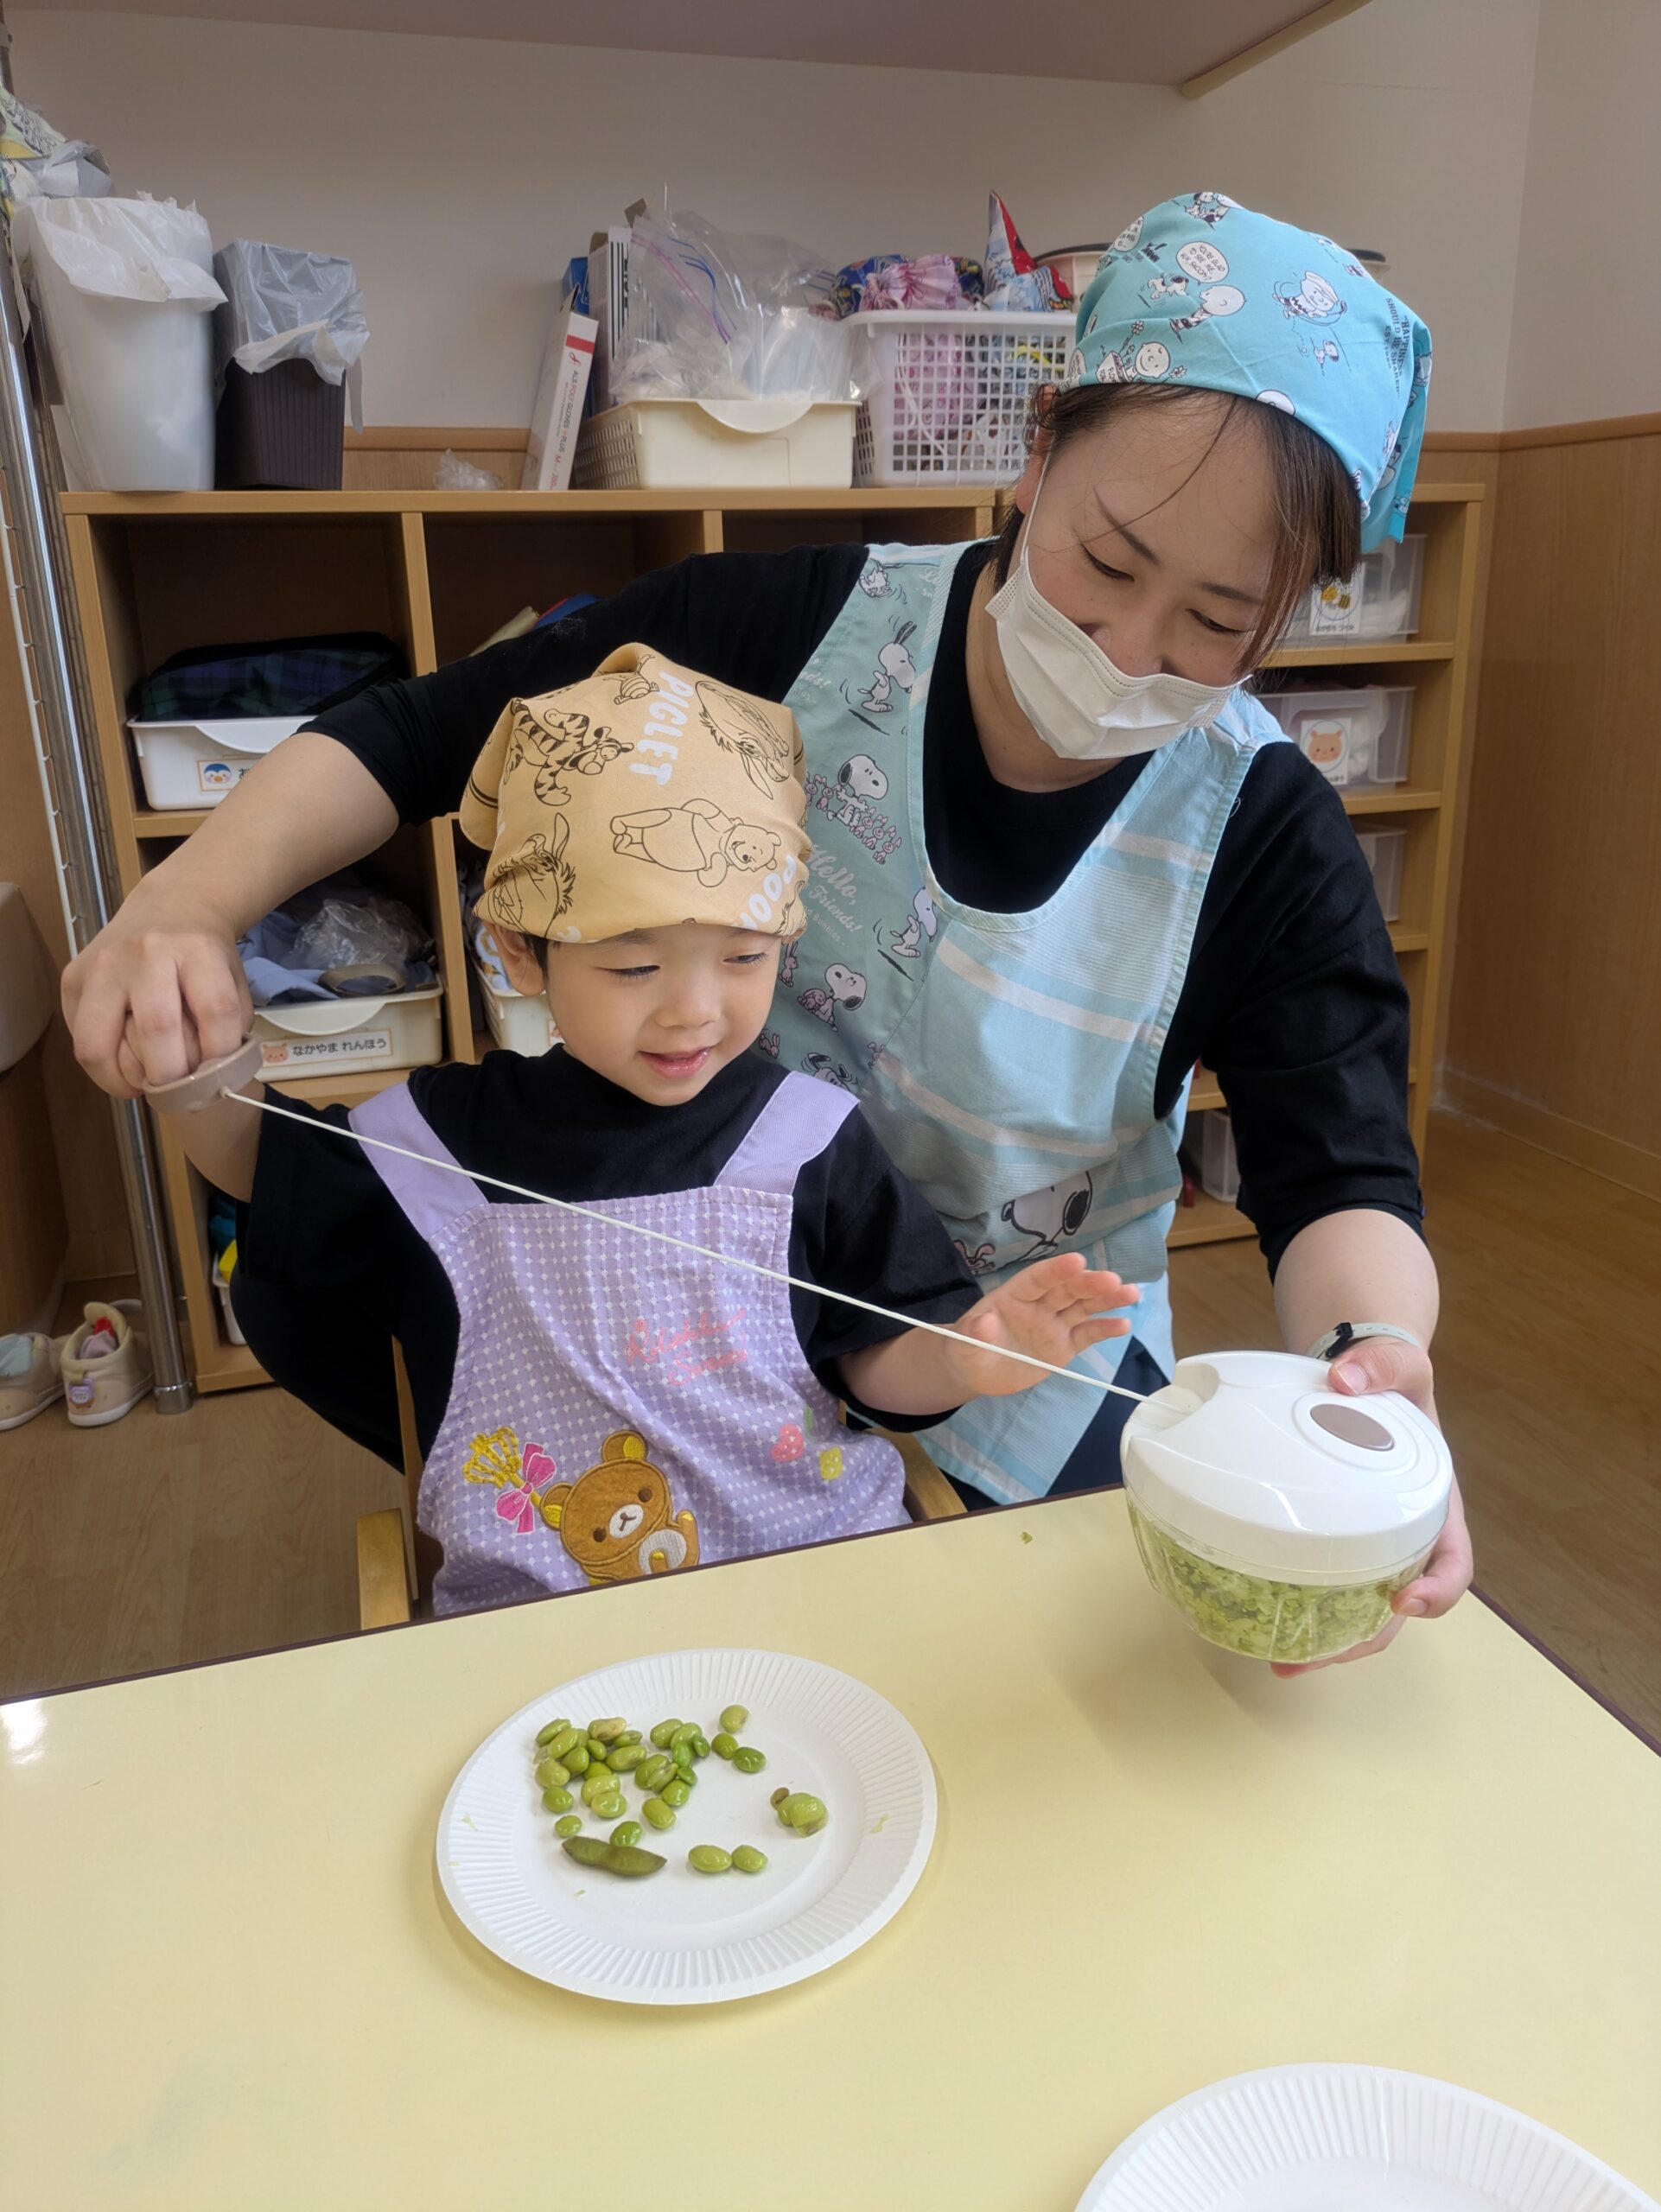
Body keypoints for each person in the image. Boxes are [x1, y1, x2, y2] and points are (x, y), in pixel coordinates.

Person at [67, 194, 1471, 1670]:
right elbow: (421, 735)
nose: (1130, 652)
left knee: (1073, 1684)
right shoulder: (789, 634)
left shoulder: (1261, 830)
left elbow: (1338, 1170)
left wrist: (1368, 1367)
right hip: (705, 1326)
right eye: (1108, 566)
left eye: (1217, 623)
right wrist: (184, 904)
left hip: (1016, 1352)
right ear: (1037, 451)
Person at [156, 645, 1136, 1615]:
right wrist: (183, 1059)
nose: (693, 1012)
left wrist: (959, 1357)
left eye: (744, 957)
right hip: (544, 1621)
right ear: (519, 951)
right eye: (633, 967)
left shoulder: (807, 1136)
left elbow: (873, 1361)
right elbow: (258, 1163)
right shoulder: (435, 1146)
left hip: (815, 1584)